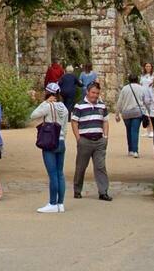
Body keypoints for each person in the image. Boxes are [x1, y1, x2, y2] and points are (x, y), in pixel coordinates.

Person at [28, 83, 70, 213]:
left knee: (52, 174)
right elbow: (65, 127)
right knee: (60, 173)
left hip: (50, 141)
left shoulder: (47, 106)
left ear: (48, 93)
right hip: (61, 141)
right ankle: (60, 203)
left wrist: (44, 103)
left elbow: (33, 115)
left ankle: (52, 203)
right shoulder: (64, 107)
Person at [71, 83, 112, 201]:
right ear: (88, 92)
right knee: (81, 167)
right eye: (93, 92)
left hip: (99, 140)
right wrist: (78, 138)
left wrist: (105, 136)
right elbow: (74, 122)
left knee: (100, 166)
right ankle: (77, 190)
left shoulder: (102, 106)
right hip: (85, 140)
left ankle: (103, 192)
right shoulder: (79, 106)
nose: (95, 95)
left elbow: (105, 121)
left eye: (97, 93)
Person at [115, 71, 154, 157]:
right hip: (137, 112)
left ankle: (130, 150)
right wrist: (146, 111)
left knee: (128, 131)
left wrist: (117, 114)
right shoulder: (141, 88)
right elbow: (145, 101)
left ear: (129, 80)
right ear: (137, 80)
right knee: (135, 131)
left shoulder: (125, 89)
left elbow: (119, 102)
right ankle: (135, 151)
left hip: (126, 113)